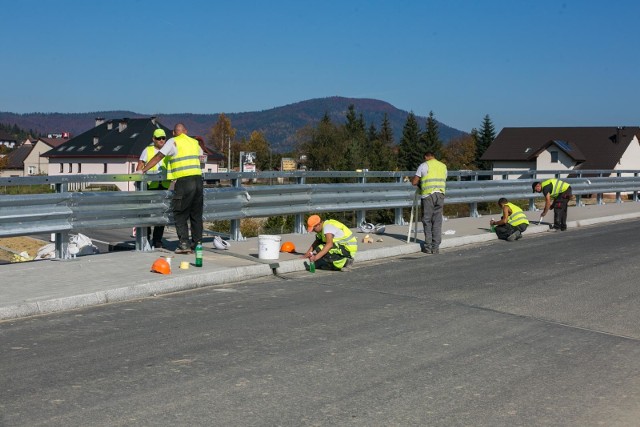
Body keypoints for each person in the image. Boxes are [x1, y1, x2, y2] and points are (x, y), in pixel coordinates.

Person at [137, 123, 204, 254]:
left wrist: (143, 170)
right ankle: (197, 244)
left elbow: (159, 156)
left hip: (184, 181)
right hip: (198, 180)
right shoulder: (194, 142)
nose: (162, 140)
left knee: (180, 212)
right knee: (196, 214)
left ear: (173, 133)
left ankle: (184, 244)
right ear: (185, 131)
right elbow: (202, 158)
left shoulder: (173, 142)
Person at [136, 128, 171, 248]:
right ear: (153, 139)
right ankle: (146, 238)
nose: (161, 140)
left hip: (163, 185)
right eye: (158, 138)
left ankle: (157, 240)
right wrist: (138, 178)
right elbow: (140, 164)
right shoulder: (148, 150)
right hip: (150, 186)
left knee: (161, 213)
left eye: (163, 138)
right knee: (147, 213)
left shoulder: (168, 151)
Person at [411, 151, 447, 254]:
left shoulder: (423, 165)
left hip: (428, 195)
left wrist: (417, 183)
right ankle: (436, 247)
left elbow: (414, 182)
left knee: (427, 220)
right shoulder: (443, 166)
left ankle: (428, 246)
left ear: (426, 156)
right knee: (437, 220)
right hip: (440, 194)